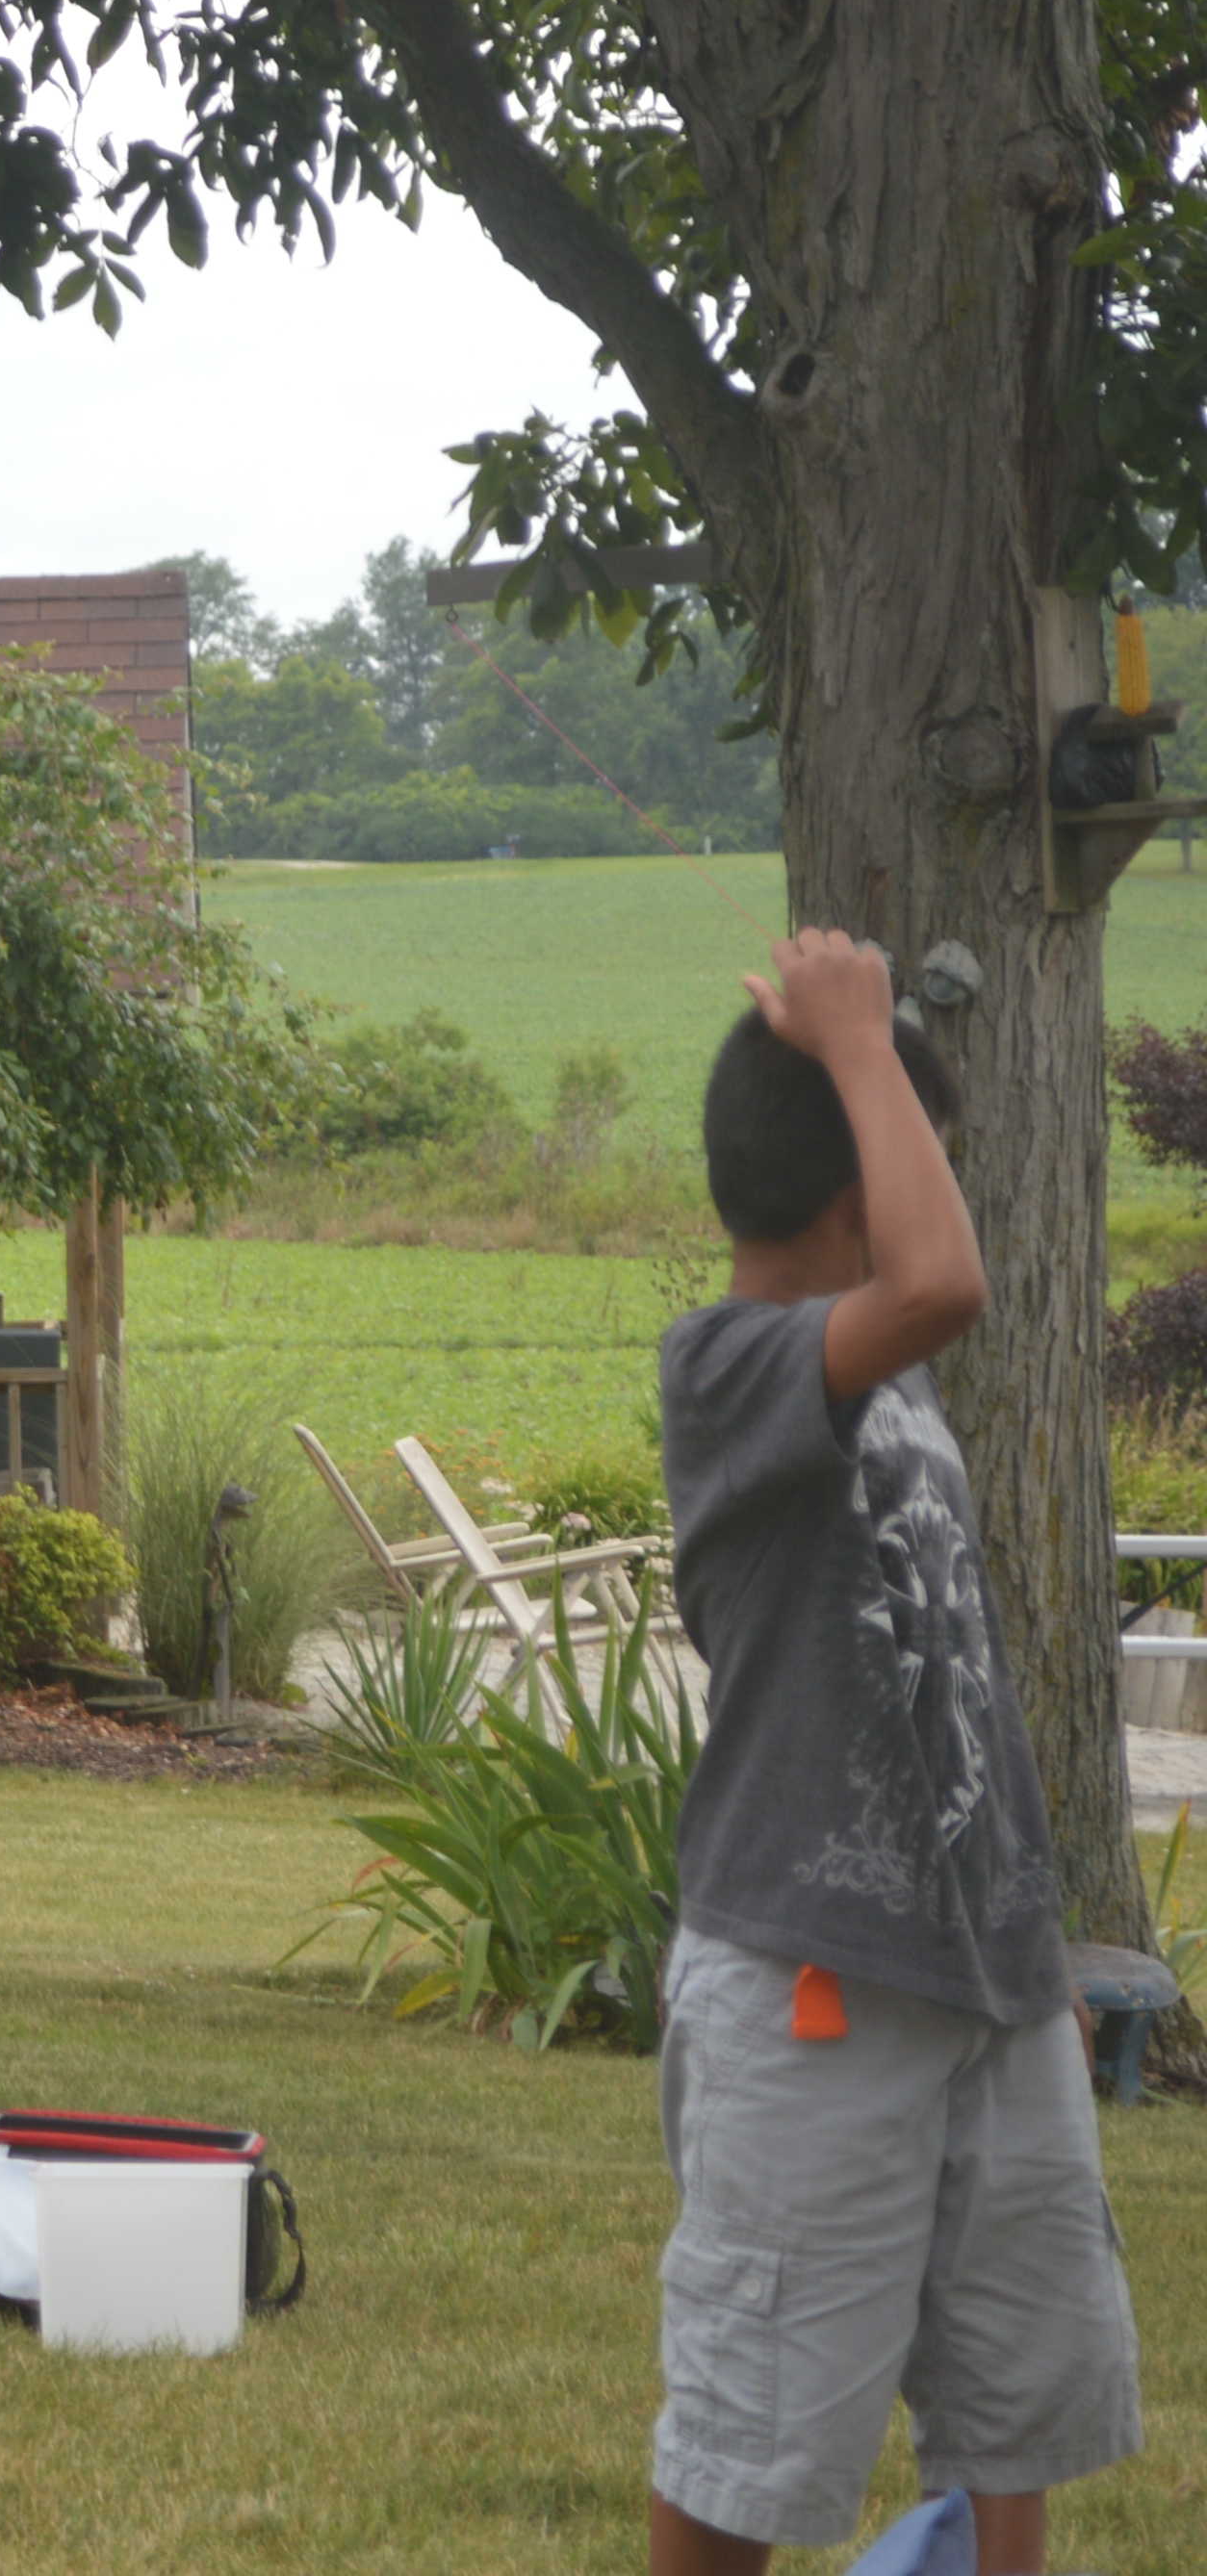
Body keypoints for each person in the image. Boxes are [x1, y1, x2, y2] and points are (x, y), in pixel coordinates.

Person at [642, 931, 1138, 2576]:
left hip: (981, 1983)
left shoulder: (897, 1387)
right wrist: (863, 1044)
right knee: (753, 2429)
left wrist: (1030, 1946)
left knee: (1017, 2400)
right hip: (811, 1976)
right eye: (923, 1158)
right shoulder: (726, 1369)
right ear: (861, 1190)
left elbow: (958, 1668)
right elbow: (941, 1280)